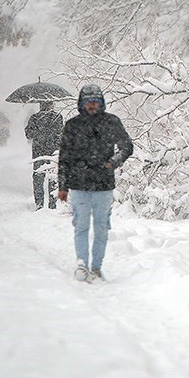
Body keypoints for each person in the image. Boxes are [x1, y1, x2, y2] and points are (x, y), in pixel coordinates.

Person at [57, 84, 133, 282]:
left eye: (96, 101)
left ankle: (97, 268)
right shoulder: (72, 126)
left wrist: (114, 162)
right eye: (88, 101)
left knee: (101, 228)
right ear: (82, 103)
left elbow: (127, 146)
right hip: (78, 185)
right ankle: (82, 263)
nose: (92, 105)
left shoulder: (111, 122)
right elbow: (64, 157)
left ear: (102, 103)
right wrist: (63, 186)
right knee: (81, 226)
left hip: (103, 185)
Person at [24, 101, 64, 210]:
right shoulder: (58, 117)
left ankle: (39, 204)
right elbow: (61, 134)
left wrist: (38, 132)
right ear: (52, 105)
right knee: (53, 178)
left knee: (38, 178)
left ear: (40, 105)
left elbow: (28, 135)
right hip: (53, 152)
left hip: (38, 152)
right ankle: (52, 205)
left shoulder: (35, 118)